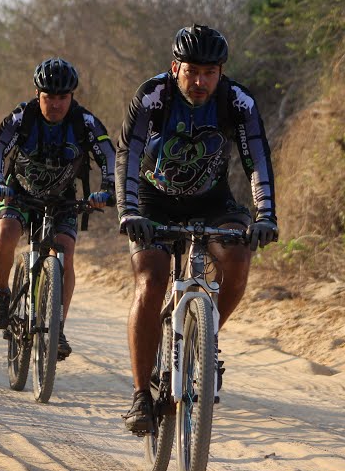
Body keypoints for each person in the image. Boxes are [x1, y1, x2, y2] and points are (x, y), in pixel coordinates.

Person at [116, 24, 279, 435]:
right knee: (151, 284)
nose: (201, 81)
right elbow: (129, 152)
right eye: (192, 71)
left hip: (213, 201)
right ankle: (140, 395)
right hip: (153, 202)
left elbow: (256, 157)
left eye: (210, 72)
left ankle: (198, 344)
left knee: (239, 259)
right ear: (176, 67)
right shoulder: (153, 95)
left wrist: (265, 215)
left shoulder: (236, 100)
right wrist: (128, 210)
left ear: (221, 72)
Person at [0, 58, 115, 360]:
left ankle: (57, 327)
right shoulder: (23, 117)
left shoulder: (85, 122)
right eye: (48, 97)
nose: (55, 104)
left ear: (72, 96)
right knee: (5, 234)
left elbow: (109, 155)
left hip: (63, 199)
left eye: (62, 97)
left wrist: (106, 191)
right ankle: (3, 293)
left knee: (65, 256)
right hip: (19, 192)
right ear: (37, 93)